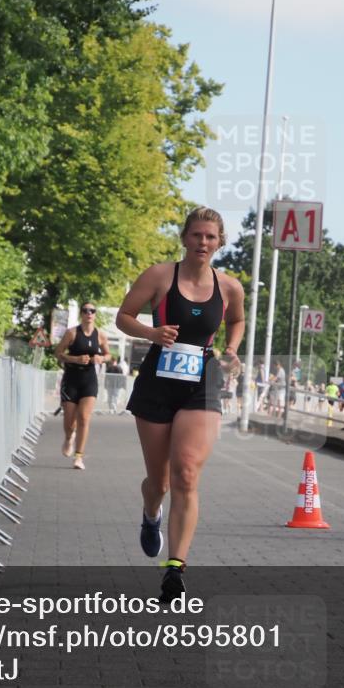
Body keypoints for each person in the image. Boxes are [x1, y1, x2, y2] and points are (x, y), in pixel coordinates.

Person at [116, 206, 245, 603]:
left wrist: (231, 349)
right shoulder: (159, 275)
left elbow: (237, 320)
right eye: (196, 235)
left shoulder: (229, 286)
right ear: (184, 238)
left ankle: (175, 569)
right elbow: (123, 317)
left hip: (202, 379)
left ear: (220, 242)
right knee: (160, 482)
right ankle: (150, 513)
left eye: (210, 237)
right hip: (158, 379)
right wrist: (151, 332)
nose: (202, 243)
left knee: (186, 473)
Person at [54, 302, 109, 470]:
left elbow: (108, 354)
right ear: (81, 314)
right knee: (69, 421)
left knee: (84, 418)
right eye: (85, 311)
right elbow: (58, 353)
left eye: (92, 311)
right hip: (71, 379)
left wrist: (101, 359)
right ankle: (69, 437)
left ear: (95, 314)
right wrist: (75, 359)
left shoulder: (100, 335)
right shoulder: (71, 333)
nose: (89, 313)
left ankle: (78, 457)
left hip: (89, 380)